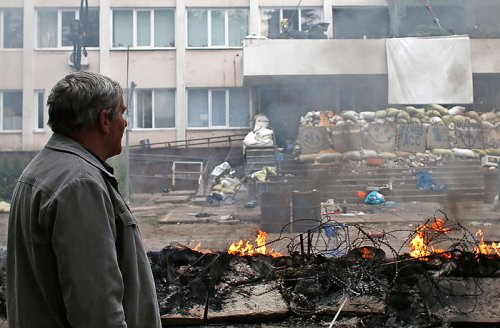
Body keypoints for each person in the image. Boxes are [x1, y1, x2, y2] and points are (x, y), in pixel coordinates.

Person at [6, 71, 161, 327]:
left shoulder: (43, 169)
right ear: (104, 120)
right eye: (121, 113)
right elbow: (98, 313)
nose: (125, 123)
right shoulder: (80, 184)